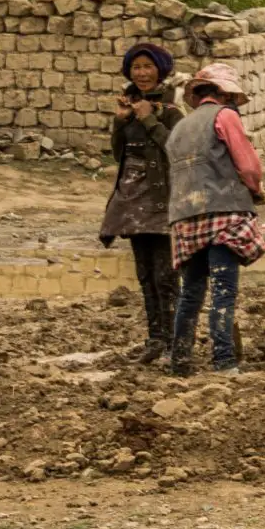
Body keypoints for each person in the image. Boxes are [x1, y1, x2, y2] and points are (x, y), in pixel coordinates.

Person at [164, 63, 265, 376]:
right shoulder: (225, 116)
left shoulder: (180, 127)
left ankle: (180, 361)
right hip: (223, 212)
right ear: (225, 94)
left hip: (185, 215)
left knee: (191, 292)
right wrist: (256, 190)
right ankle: (224, 361)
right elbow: (248, 166)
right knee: (223, 289)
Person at [99, 40, 181, 359]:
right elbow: (119, 154)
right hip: (134, 202)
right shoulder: (129, 109)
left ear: (160, 71)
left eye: (148, 67)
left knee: (165, 275)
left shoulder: (171, 112)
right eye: (136, 67)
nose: (142, 73)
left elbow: (176, 150)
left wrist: (149, 119)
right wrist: (120, 122)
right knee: (145, 274)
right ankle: (156, 339)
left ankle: (174, 340)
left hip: (162, 201)